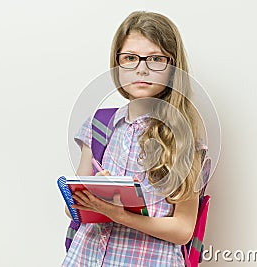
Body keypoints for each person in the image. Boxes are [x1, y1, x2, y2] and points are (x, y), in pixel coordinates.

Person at [62, 10, 208, 267]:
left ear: (173, 68)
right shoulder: (98, 126)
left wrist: (120, 216)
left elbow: (183, 229)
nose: (142, 69)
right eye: (130, 58)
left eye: (155, 59)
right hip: (85, 258)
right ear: (117, 64)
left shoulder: (183, 137)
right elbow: (72, 211)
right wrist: (94, 194)